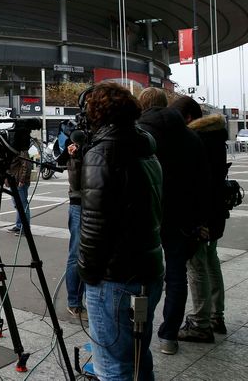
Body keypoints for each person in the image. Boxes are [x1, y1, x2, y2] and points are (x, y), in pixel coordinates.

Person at [78, 83, 164, 380]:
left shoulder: (103, 152)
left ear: (95, 113)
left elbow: (93, 225)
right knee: (139, 357)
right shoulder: (145, 147)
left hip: (115, 277)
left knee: (113, 367)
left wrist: (87, 274)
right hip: (149, 270)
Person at [137, 87, 208, 356]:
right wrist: (200, 219)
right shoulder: (191, 137)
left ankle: (139, 332)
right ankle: (169, 336)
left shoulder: (140, 136)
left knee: (142, 275)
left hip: (147, 216)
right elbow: (203, 181)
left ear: (142, 107)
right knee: (177, 276)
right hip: (182, 217)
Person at [171, 96, 228, 341]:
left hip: (200, 214)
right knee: (211, 260)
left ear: (188, 119)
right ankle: (216, 315)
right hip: (215, 210)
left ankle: (200, 323)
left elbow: (194, 183)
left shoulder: (196, 140)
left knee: (196, 264)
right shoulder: (215, 137)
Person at [55, 121, 85, 320]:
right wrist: (76, 156)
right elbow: (75, 180)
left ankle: (81, 299)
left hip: (90, 203)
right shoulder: (75, 145)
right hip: (80, 203)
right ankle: (74, 301)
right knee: (76, 254)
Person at [6, 149, 32, 235]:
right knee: (17, 205)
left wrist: (22, 180)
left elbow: (26, 166)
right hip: (13, 181)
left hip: (19, 182)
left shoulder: (22, 151)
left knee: (23, 205)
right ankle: (19, 225)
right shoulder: (11, 149)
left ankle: (25, 228)